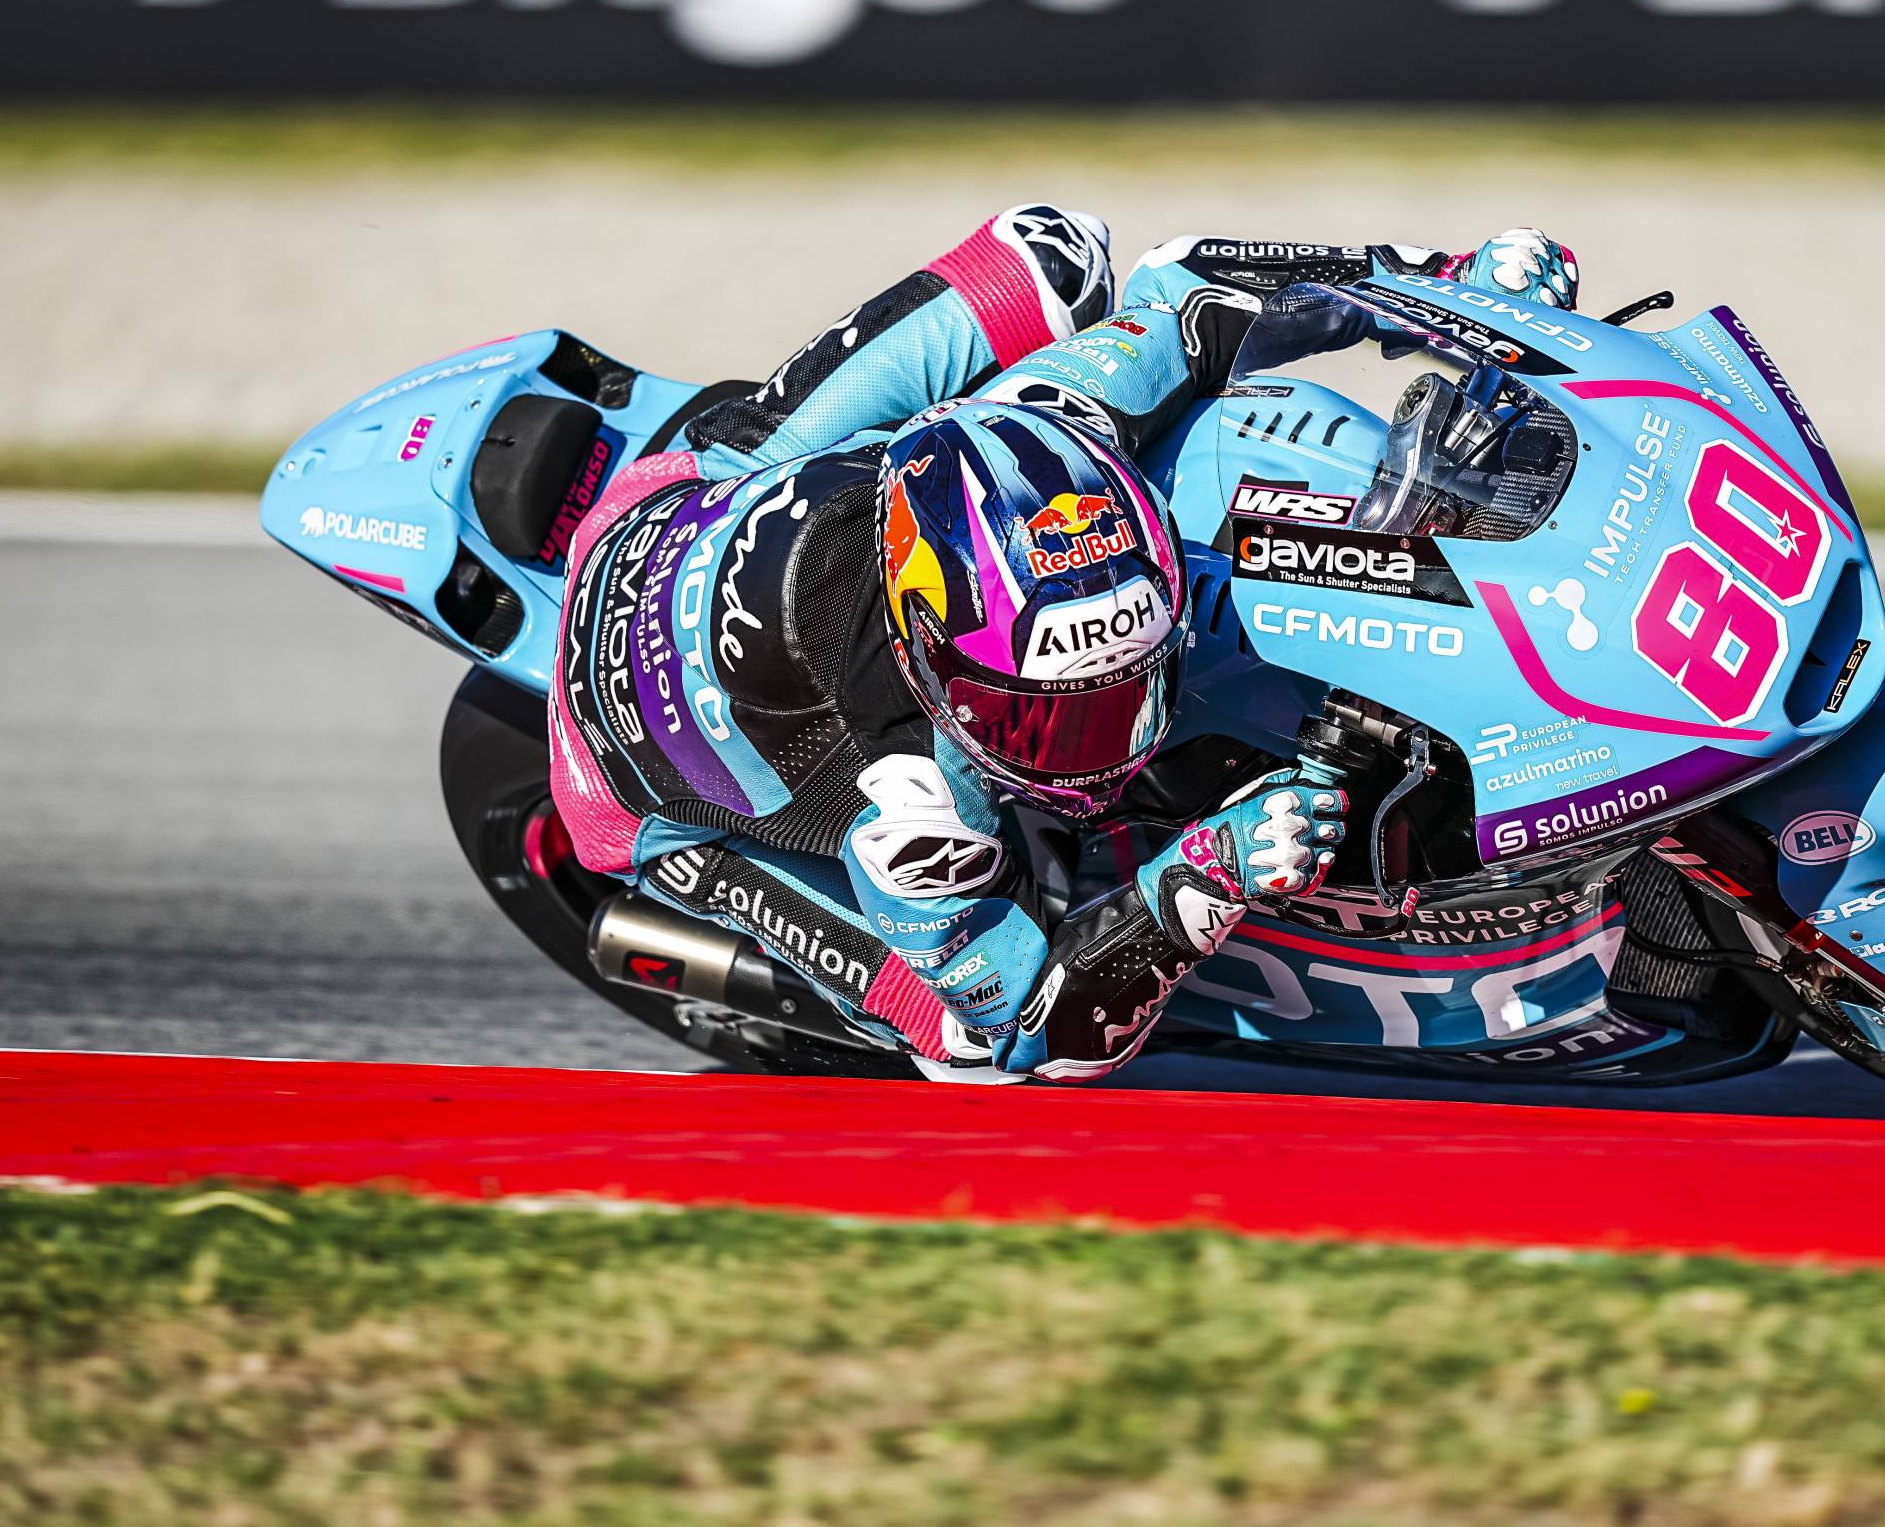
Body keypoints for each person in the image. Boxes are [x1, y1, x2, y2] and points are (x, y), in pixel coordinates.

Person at [546, 206, 1581, 1081]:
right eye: (1055, 715)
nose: (1116, 744)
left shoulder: (1056, 416)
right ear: (939, 670)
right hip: (623, 780)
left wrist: (1451, 291)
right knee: (960, 1045)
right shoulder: (912, 811)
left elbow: (1191, 285)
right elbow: (1026, 1031)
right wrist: (1203, 875)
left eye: (1126, 691)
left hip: (717, 495)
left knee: (1049, 248)